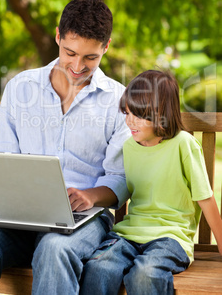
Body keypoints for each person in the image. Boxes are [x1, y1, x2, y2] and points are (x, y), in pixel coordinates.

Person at [0, 0, 131, 294]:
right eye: (69, 52)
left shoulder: (118, 100)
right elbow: (3, 158)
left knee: (53, 249)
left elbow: (121, 178)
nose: (77, 66)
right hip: (20, 219)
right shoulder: (22, 87)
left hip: (84, 223)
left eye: (90, 57)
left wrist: (89, 196)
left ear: (106, 47)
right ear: (58, 36)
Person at [80, 69, 222, 295]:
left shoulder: (183, 145)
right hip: (129, 234)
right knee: (99, 267)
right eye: (127, 113)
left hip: (170, 237)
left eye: (138, 115)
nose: (129, 122)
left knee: (145, 273)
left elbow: (206, 199)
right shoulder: (129, 147)